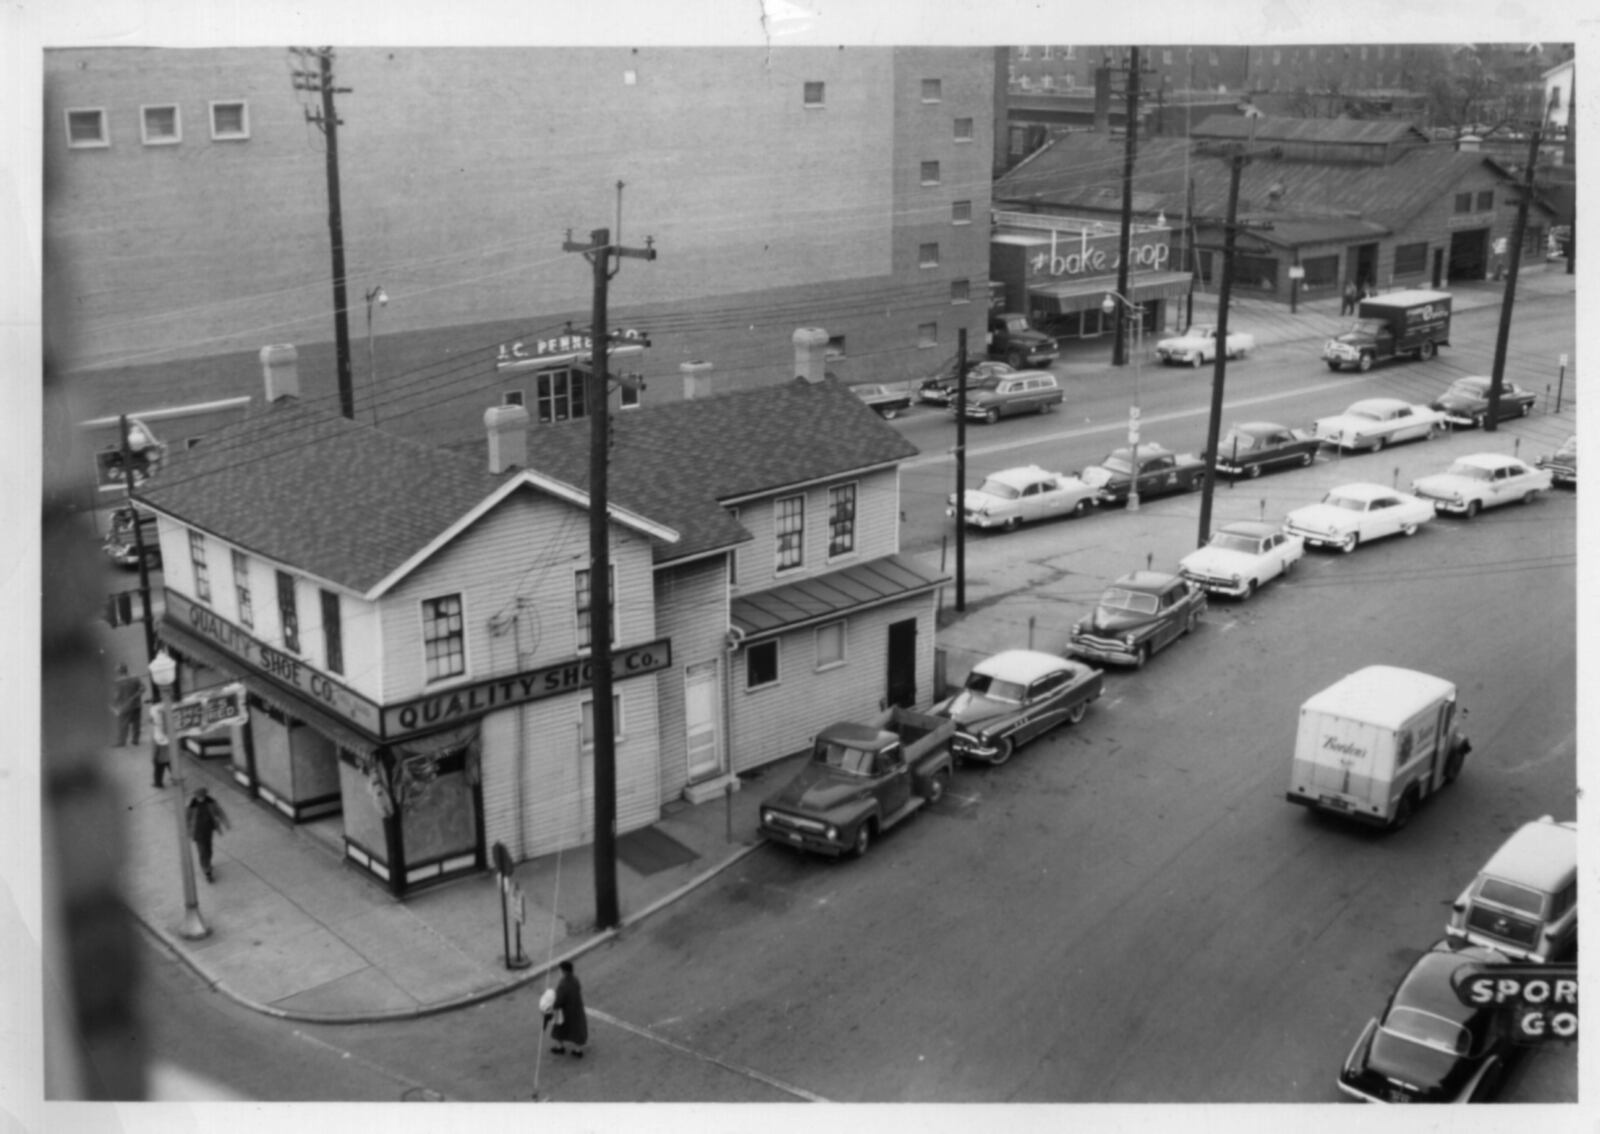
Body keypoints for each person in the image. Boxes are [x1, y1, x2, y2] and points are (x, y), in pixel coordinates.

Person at [186, 786, 230, 881]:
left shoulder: (211, 803)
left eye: (202, 796)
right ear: (196, 797)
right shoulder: (192, 806)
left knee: (209, 850)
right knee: (202, 851)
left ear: (205, 795)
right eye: (198, 796)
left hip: (208, 830)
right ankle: (207, 870)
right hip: (198, 832)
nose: (200, 798)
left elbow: (219, 812)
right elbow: (186, 819)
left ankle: (207, 863)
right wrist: (186, 830)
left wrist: (225, 822)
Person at [548, 960, 589, 1057]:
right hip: (576, 1009)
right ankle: (577, 1050)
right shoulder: (575, 980)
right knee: (577, 1029)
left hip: (565, 1011)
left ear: (564, 971)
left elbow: (559, 999)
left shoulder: (563, 984)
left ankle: (560, 1047)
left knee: (559, 1029)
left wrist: (552, 1006)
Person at [110, 664, 143, 747]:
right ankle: (135, 740)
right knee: (136, 723)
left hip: (126, 706)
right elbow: (143, 688)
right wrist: (136, 695)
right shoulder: (135, 678)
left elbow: (116, 696)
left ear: (119, 672)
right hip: (136, 705)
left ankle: (121, 742)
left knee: (123, 724)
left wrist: (114, 704)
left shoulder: (118, 682)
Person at [149, 696, 171, 787]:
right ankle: (177, 778)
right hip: (170, 745)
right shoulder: (167, 708)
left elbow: (152, 721)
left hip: (160, 746)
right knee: (172, 763)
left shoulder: (153, 710)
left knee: (158, 767)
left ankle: (158, 783)